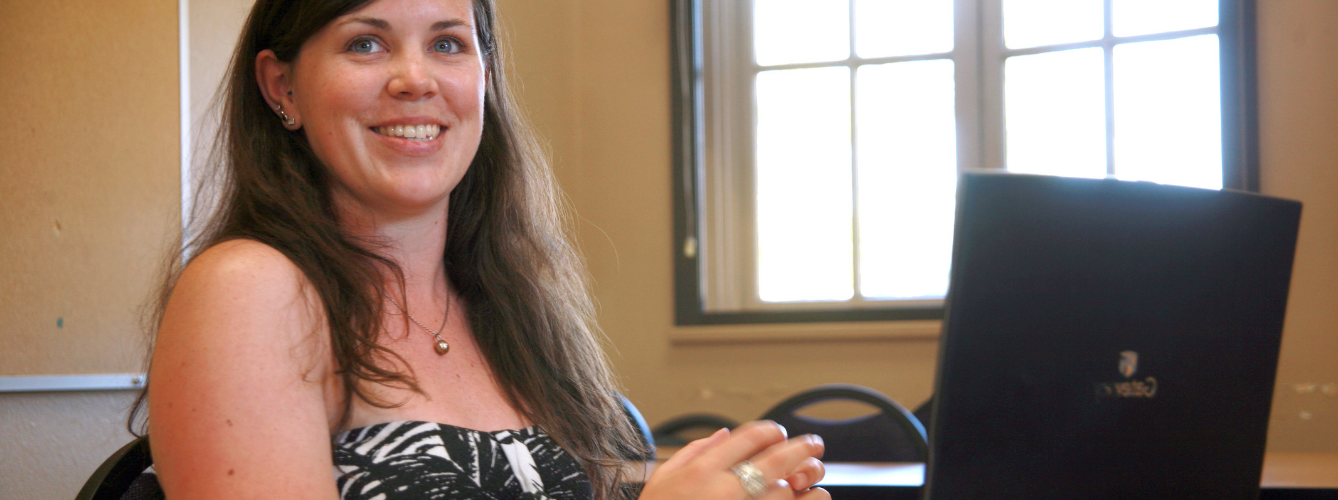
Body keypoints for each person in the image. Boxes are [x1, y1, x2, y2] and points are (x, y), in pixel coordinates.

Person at [133, 0, 830, 499]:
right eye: (366, 43)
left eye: (447, 43)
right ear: (281, 86)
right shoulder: (248, 290)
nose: (416, 78)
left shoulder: (506, 302)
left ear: (485, 80)